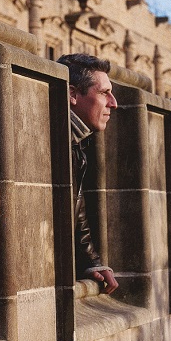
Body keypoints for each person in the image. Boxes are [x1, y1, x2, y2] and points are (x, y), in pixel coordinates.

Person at [57, 53, 119, 294]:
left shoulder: (77, 141)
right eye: (104, 93)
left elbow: (75, 201)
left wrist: (91, 262)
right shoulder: (51, 135)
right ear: (72, 94)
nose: (113, 103)